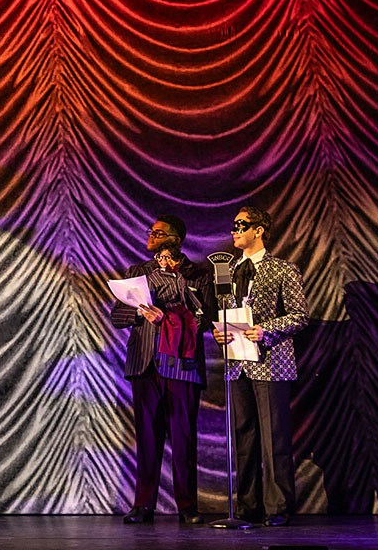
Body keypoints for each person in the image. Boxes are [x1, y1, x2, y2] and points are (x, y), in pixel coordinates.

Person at [209, 205, 307, 526]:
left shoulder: (282, 269)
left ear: (259, 230)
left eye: (241, 225)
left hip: (270, 361)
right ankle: (247, 505)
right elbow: (226, 311)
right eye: (234, 225)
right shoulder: (228, 270)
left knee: (273, 436)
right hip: (237, 362)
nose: (234, 230)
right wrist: (220, 330)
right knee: (244, 436)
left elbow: (299, 315)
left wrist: (267, 330)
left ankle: (277, 507)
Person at [108, 217, 208, 524]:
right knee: (148, 438)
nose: (152, 237)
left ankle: (188, 506)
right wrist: (141, 314)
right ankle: (143, 504)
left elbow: (208, 316)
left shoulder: (196, 273)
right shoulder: (138, 272)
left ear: (176, 240)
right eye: (151, 233)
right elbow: (117, 315)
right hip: (145, 364)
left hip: (181, 362)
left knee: (183, 437)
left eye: (159, 234)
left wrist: (173, 316)